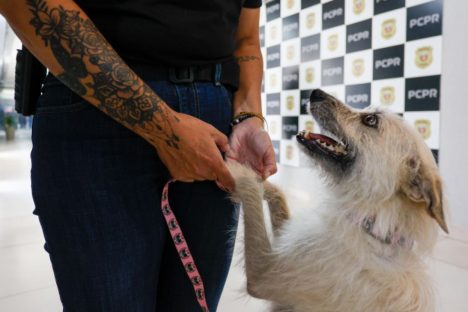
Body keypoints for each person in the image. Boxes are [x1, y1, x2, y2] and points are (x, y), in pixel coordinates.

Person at [0, 0, 276, 311]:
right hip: (93, 106)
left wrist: (249, 115)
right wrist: (163, 128)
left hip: (214, 122)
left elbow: (246, 40)